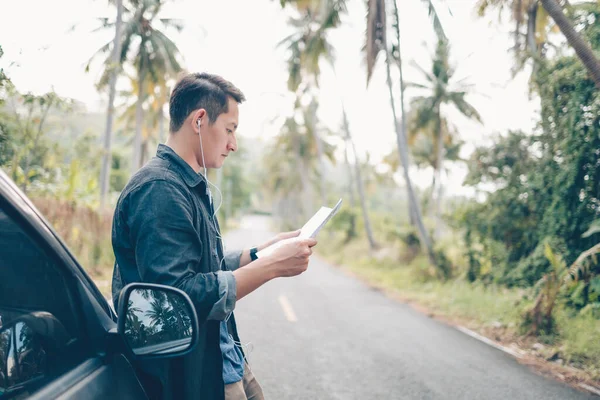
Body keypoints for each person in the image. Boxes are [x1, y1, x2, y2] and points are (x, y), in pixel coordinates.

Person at [111, 72, 317, 400]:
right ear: (200, 120)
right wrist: (272, 267)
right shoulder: (160, 191)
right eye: (230, 130)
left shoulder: (188, 186)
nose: (233, 144)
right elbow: (177, 297)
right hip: (195, 376)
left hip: (224, 359)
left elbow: (203, 268)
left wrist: (260, 252)